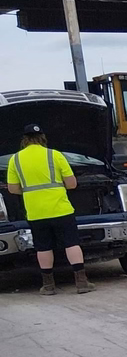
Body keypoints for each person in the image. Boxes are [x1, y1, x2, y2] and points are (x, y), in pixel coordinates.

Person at [5, 123, 94, 294]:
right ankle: (82, 283)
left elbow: (12, 189)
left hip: (36, 212)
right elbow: (72, 183)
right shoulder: (55, 155)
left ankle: (48, 286)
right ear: (42, 138)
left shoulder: (15, 160)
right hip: (61, 209)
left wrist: (30, 190)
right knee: (71, 243)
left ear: (24, 140)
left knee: (43, 247)